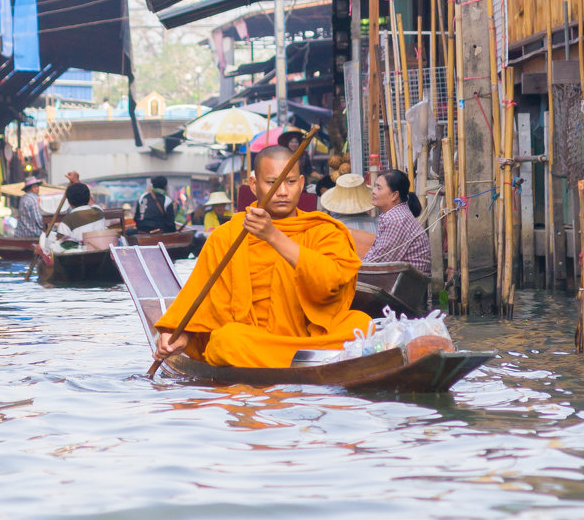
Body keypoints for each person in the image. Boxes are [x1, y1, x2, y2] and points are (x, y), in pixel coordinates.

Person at [153, 145, 371, 369]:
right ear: (254, 185)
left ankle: (296, 359)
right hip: (253, 341)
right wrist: (181, 335)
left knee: (361, 324)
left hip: (310, 337)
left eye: (291, 182)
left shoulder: (322, 230)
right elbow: (201, 295)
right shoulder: (228, 235)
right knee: (226, 341)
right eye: (273, 182)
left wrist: (274, 236)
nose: (283, 191)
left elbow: (331, 282)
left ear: (303, 183)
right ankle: (310, 360)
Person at [363, 170, 431, 277]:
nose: (374, 191)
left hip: (405, 285)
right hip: (400, 279)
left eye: (379, 188)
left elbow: (378, 262)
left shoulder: (396, 220)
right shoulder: (395, 215)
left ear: (394, 195)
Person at [40, 172, 107, 254]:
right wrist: (76, 181)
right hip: (101, 254)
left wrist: (42, 250)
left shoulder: (67, 222)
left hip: (80, 260)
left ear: (69, 202)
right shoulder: (98, 211)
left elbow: (58, 249)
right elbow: (91, 201)